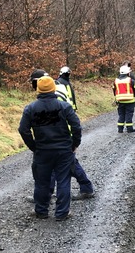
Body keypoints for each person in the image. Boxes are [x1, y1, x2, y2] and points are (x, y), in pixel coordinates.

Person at [19, 75, 81, 221]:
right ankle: (62, 213)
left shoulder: (30, 108)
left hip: (42, 151)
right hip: (64, 150)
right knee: (64, 181)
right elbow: (76, 126)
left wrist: (34, 147)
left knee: (42, 182)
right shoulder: (64, 106)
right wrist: (74, 144)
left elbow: (23, 130)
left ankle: (41, 211)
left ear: (38, 89)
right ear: (53, 88)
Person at [30, 69, 95, 201]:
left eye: (33, 82)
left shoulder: (53, 92)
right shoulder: (57, 86)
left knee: (62, 165)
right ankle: (85, 188)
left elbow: (53, 116)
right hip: (63, 134)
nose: (32, 85)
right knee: (69, 163)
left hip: (61, 134)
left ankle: (47, 195)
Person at [113, 64, 135, 133]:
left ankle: (120, 129)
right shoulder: (130, 80)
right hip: (129, 101)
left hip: (120, 101)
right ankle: (129, 128)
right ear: (128, 73)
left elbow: (114, 89)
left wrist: (116, 98)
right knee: (129, 114)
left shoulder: (116, 81)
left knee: (121, 114)